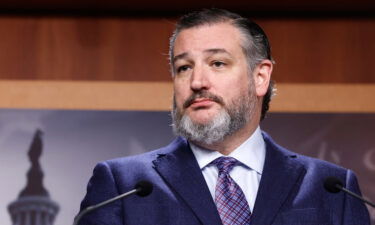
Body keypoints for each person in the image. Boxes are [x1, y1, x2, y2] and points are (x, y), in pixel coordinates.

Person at [78, 8, 370, 225]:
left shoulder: (331, 188)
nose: (197, 81)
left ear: (260, 77)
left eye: (217, 63)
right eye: (184, 67)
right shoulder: (125, 186)